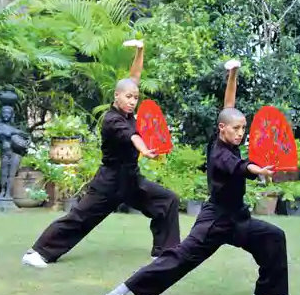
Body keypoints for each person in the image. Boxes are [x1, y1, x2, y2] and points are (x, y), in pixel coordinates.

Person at [100, 60, 289, 295]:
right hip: (215, 222)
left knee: (273, 237)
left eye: (243, 128)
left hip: (237, 219)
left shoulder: (226, 136)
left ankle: (269, 290)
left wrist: (233, 74)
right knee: (180, 258)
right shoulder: (220, 154)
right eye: (237, 128)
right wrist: (260, 169)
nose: (241, 132)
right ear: (222, 129)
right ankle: (120, 292)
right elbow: (242, 167)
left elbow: (228, 104)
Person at [22, 39, 181, 269]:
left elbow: (134, 77)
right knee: (80, 218)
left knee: (168, 201)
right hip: (109, 182)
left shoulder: (127, 110)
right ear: (116, 96)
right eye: (128, 97)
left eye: (135, 98)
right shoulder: (112, 120)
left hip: (131, 180)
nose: (132, 101)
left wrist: (140, 51)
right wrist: (145, 150)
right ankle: (37, 252)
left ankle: (165, 252)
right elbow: (133, 137)